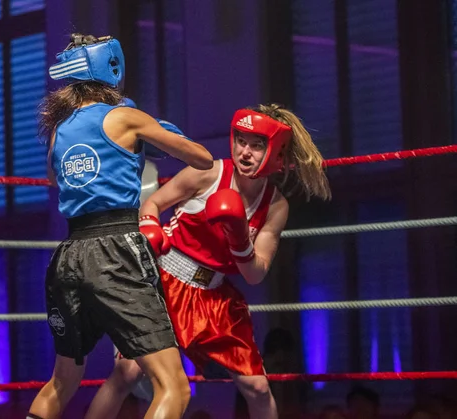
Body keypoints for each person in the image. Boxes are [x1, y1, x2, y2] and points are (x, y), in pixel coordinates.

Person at [85, 104, 331, 419]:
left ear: (276, 153)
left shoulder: (275, 206)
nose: (245, 152)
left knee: (257, 388)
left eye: (257, 145)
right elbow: (154, 202)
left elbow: (256, 274)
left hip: (212, 296)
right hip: (163, 282)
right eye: (241, 140)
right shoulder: (208, 172)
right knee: (127, 373)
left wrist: (240, 239)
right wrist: (149, 224)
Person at [26, 33, 214, 419]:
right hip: (116, 251)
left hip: (69, 256)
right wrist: (157, 133)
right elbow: (203, 159)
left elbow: (54, 177)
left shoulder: (60, 129)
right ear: (111, 67)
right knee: (173, 387)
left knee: (61, 382)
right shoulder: (126, 116)